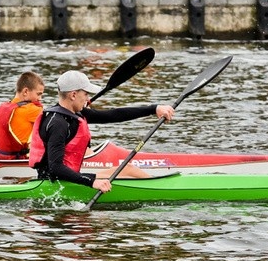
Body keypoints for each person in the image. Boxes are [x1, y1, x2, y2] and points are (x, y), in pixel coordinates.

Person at [28, 70, 175, 194]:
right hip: (55, 185)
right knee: (129, 171)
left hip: (70, 179)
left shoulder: (75, 114)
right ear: (73, 95)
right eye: (85, 94)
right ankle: (166, 191)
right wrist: (91, 182)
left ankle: (161, 187)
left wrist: (153, 109)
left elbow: (114, 115)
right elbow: (56, 168)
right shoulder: (57, 124)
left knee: (129, 169)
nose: (87, 98)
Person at [0, 71, 45, 159]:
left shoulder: (3, 107)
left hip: (1, 157)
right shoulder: (31, 109)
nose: (40, 99)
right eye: (38, 94)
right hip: (19, 159)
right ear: (25, 91)